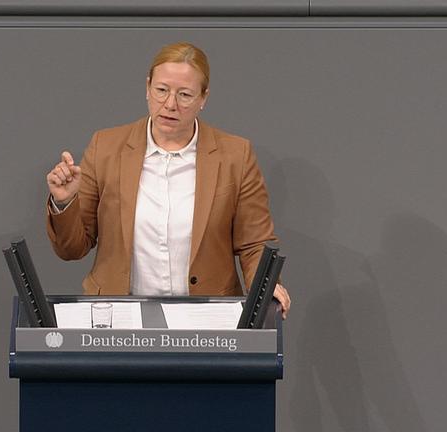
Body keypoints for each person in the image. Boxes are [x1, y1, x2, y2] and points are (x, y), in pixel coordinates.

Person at [45, 42, 291, 318]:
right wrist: (65, 203)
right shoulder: (106, 147)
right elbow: (72, 248)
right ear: (147, 88)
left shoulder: (235, 155)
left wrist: (266, 286)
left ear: (203, 98)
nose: (170, 104)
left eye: (185, 95)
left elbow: (254, 243)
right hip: (119, 317)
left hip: (207, 318)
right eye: (161, 90)